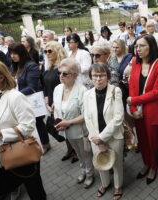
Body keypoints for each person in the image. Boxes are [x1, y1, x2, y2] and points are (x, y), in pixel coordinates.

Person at [0, 58, 47, 200]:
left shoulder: (15, 97)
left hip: (24, 150)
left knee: (34, 188)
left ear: (1, 77)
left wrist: (0, 133)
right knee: (22, 184)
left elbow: (28, 125)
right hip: (7, 152)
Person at [127, 34, 158, 185]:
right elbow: (132, 87)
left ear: (151, 47)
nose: (138, 49)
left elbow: (157, 92)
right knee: (142, 140)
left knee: (153, 141)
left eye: (142, 45)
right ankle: (146, 163)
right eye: (137, 46)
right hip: (137, 111)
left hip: (152, 111)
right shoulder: (134, 63)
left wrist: (134, 101)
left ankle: (154, 166)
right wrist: (132, 108)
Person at [84, 63, 124, 199]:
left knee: (116, 163)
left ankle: (118, 186)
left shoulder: (115, 91)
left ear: (107, 76)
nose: (98, 79)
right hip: (95, 137)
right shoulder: (87, 94)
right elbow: (87, 118)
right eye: (95, 75)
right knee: (100, 163)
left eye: (102, 75)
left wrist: (102, 137)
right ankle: (105, 183)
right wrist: (97, 139)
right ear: (90, 77)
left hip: (113, 136)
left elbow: (118, 118)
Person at [53, 58, 94, 188]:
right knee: (77, 153)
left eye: (65, 74)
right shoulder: (58, 89)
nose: (61, 76)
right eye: (59, 73)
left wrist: (68, 122)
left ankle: (90, 174)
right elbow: (56, 108)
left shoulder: (82, 91)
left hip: (81, 131)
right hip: (67, 131)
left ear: (75, 75)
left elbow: (86, 114)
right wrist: (58, 122)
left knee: (86, 154)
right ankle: (83, 170)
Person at [9, 43, 51, 154]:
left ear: (21, 53)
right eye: (11, 53)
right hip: (21, 100)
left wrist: (14, 95)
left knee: (37, 122)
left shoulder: (31, 65)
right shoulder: (15, 66)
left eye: (15, 53)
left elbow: (32, 87)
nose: (12, 56)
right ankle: (36, 143)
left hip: (31, 99)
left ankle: (45, 143)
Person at [42, 41, 78, 162]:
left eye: (50, 51)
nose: (47, 53)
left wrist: (58, 102)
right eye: (45, 51)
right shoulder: (48, 67)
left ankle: (77, 151)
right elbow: (45, 86)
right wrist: (47, 103)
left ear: (58, 51)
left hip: (64, 101)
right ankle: (69, 149)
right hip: (52, 102)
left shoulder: (63, 67)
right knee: (60, 127)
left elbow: (68, 85)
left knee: (69, 126)